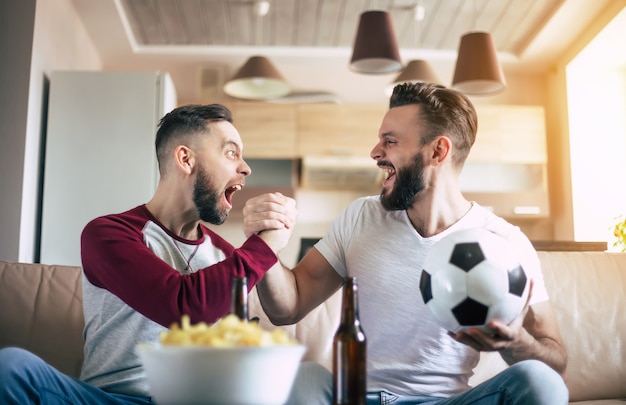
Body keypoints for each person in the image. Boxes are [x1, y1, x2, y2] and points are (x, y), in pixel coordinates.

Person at [244, 82, 569, 404]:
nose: (375, 153)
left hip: (446, 401)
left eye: (390, 141)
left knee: (540, 382)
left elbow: (554, 359)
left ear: (437, 151)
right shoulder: (360, 217)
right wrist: (264, 245)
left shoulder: (504, 242)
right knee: (307, 378)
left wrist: (515, 343)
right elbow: (288, 307)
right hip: (357, 397)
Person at [0, 104, 300, 404]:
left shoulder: (227, 256)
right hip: (110, 400)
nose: (246, 168)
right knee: (12, 368)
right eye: (231, 153)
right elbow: (182, 306)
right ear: (185, 159)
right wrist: (266, 245)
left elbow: (270, 321)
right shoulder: (108, 233)